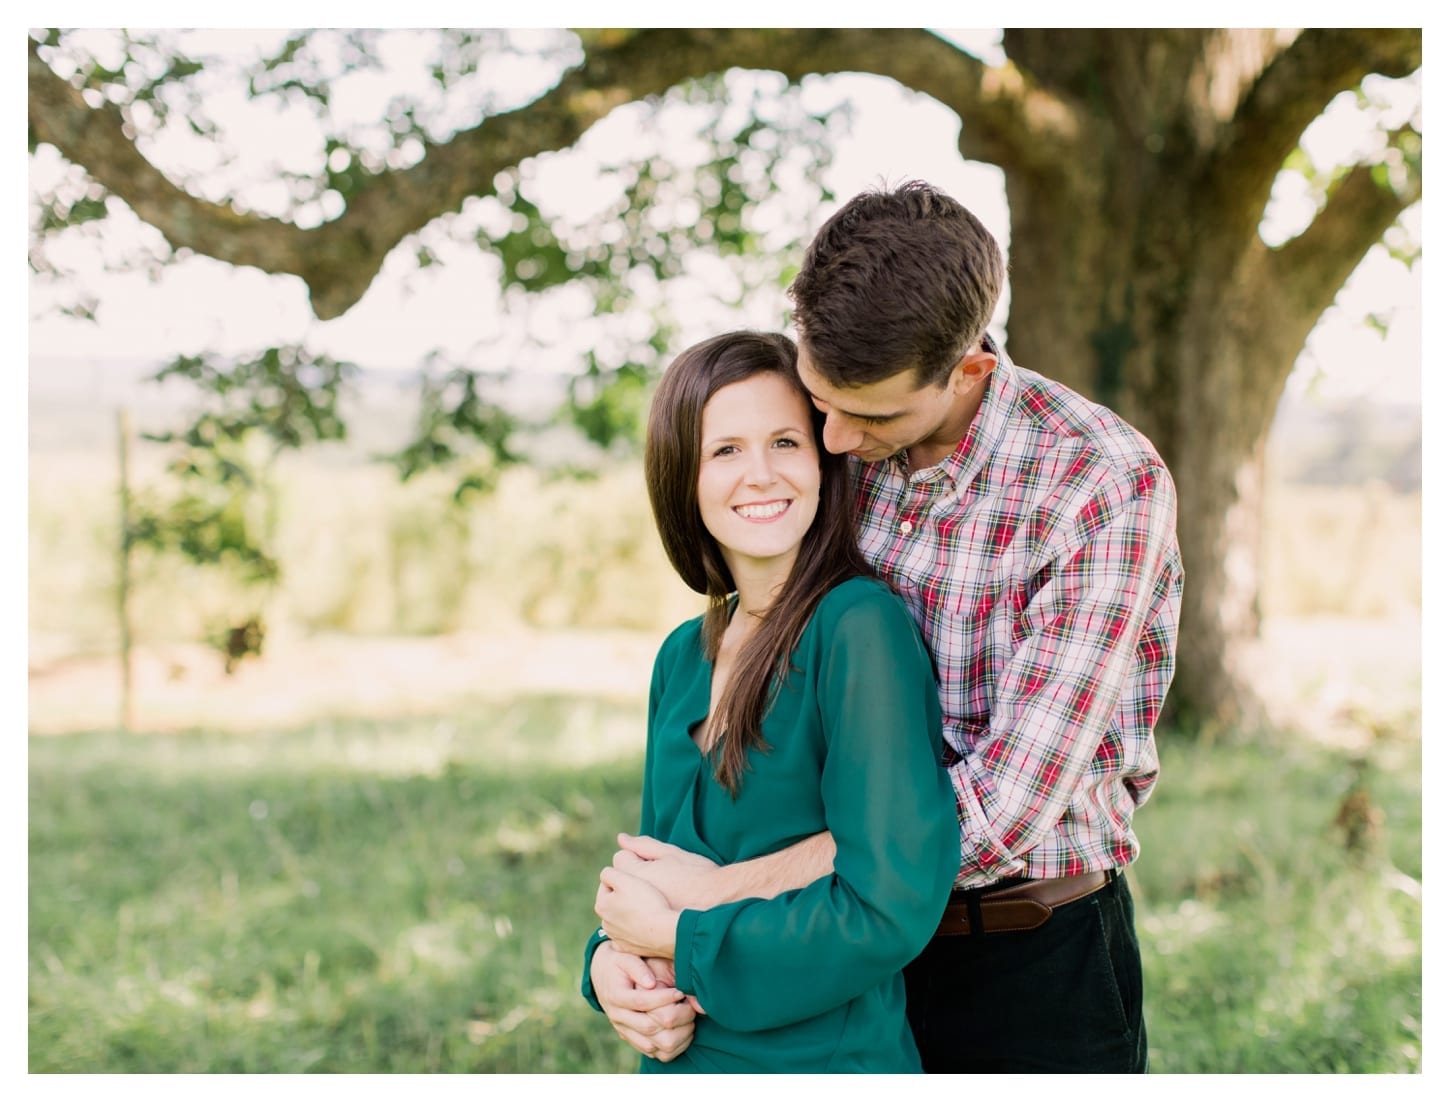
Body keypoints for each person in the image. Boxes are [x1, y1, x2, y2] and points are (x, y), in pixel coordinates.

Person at [590, 181, 1185, 1073]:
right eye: (816, 404)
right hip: (825, 962)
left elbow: (1007, 809)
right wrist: (622, 950)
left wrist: (717, 903)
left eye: (862, 416)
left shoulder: (1098, 485)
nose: (826, 440)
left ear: (969, 371)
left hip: (1024, 949)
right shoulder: (833, 439)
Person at [580, 329, 959, 1073]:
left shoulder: (857, 628)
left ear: (824, 461)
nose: (761, 474)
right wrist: (608, 968)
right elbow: (654, 872)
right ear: (681, 475)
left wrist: (677, 940)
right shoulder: (682, 657)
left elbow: (888, 906)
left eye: (785, 442)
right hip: (682, 1061)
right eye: (725, 450)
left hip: (822, 1061)